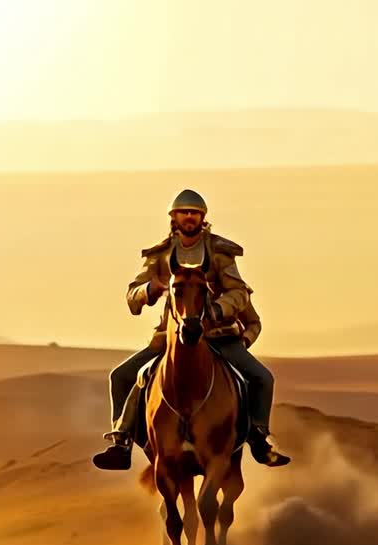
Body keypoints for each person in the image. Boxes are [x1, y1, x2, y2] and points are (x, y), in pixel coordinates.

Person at [92, 189, 290, 470]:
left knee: (262, 377)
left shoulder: (220, 252)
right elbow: (132, 297)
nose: (189, 217)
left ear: (202, 217)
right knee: (121, 376)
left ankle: (259, 438)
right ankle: (121, 443)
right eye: (184, 212)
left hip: (216, 336)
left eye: (194, 213)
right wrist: (149, 289)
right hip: (171, 339)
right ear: (174, 217)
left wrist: (218, 309)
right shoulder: (159, 255)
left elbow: (239, 292)